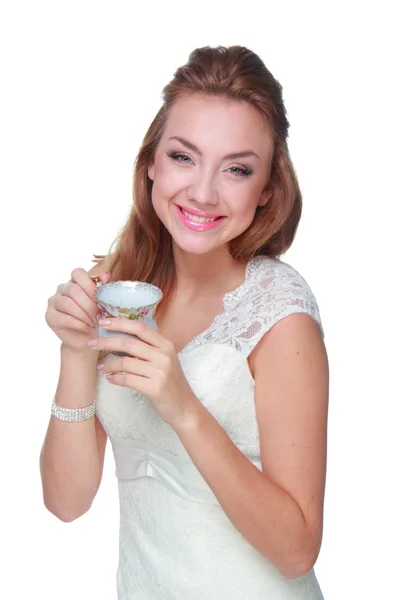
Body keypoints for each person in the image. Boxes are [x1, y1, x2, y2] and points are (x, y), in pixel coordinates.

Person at [40, 45, 329, 599]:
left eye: (237, 169)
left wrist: (184, 409)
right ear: (151, 161)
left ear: (267, 188)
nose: (202, 191)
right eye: (183, 157)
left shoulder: (280, 314)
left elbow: (298, 549)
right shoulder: (118, 288)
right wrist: (76, 351)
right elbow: (66, 502)